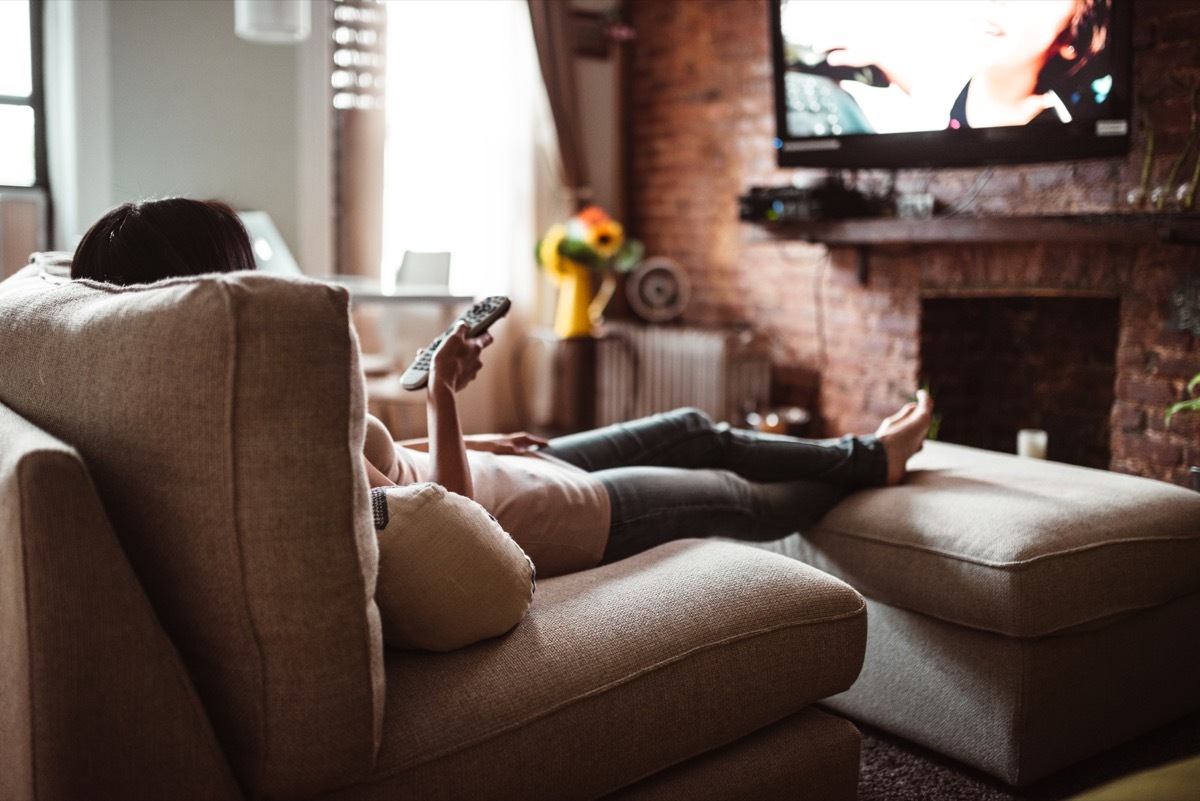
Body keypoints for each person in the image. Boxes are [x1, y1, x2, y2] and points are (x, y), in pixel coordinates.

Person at [73, 197, 933, 577]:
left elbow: (400, 474)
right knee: (736, 497)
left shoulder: (247, 401)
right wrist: (445, 396)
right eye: (243, 272)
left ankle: (863, 455)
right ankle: (869, 466)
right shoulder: (260, 458)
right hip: (550, 521)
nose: (262, 282)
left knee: (691, 422)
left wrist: (481, 434)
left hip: (512, 466)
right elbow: (450, 532)